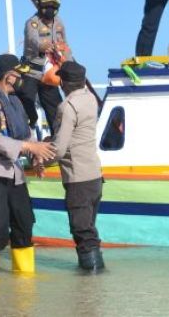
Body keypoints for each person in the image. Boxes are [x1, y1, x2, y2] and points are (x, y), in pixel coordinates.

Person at [0, 53, 56, 280]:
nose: (22, 79)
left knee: (24, 226)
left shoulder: (15, 101)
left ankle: (24, 286)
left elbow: (25, 136)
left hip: (14, 172)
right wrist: (29, 146)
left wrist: (35, 157)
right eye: (19, 74)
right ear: (8, 76)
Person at [48, 61, 105, 272]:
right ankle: (94, 283)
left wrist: (37, 160)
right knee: (89, 228)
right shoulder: (90, 99)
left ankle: (89, 285)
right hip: (95, 177)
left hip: (78, 178)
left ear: (63, 82)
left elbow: (60, 149)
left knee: (82, 232)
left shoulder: (68, 106)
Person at [17, 0, 72, 134]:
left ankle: (58, 138)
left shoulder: (59, 22)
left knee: (55, 108)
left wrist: (68, 63)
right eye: (48, 8)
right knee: (26, 97)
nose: (51, 12)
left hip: (50, 73)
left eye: (54, 8)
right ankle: (31, 123)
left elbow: (65, 44)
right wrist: (45, 46)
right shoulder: (32, 23)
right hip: (32, 71)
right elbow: (33, 40)